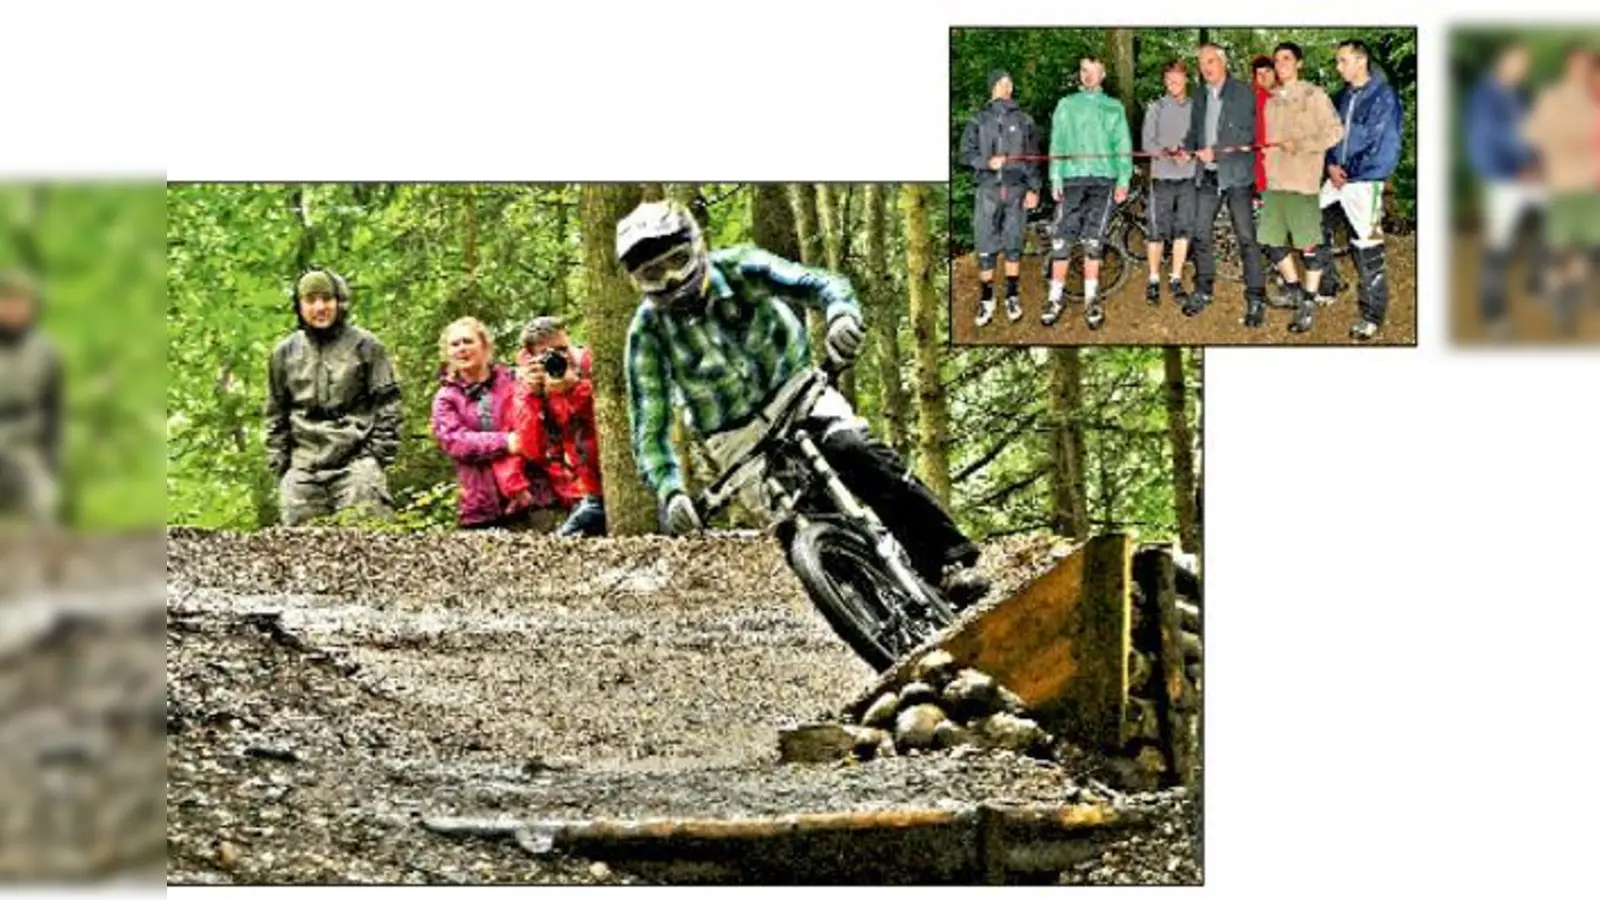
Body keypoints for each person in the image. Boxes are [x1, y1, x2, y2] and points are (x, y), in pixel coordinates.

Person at [615, 200, 990, 608]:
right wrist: (671, 491)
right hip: (735, 440)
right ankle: (874, 615)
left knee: (855, 450)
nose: (671, 279)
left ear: (698, 247)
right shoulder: (645, 334)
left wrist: (841, 315)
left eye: (678, 260)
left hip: (797, 392)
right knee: (796, 529)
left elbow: (819, 284)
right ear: (637, 282)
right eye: (652, 274)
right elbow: (649, 427)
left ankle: (948, 563)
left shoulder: (742, 267)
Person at [265, 269, 403, 526]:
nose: (320, 307)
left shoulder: (367, 347)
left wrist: (375, 454)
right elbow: (276, 414)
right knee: (297, 546)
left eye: (326, 299)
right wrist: (281, 464)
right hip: (303, 468)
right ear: (299, 306)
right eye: (311, 300)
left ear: (339, 302)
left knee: (369, 538)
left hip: (356, 463)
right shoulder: (284, 354)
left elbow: (389, 405)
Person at [431, 317, 560, 531]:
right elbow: (454, 441)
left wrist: (540, 389)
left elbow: (546, 423)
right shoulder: (446, 397)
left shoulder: (514, 380)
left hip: (533, 497)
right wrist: (506, 442)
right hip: (481, 507)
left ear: (485, 346)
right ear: (447, 353)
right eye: (455, 344)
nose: (462, 348)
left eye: (468, 341)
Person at [1322, 39, 1405, 341]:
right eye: (1337, 61)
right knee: (1314, 222)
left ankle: (1372, 315)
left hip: (1364, 182)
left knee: (1367, 246)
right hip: (1337, 177)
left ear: (1361, 61)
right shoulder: (1343, 96)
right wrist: (1331, 164)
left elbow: (1385, 147)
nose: (1338, 67)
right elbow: (1330, 135)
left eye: (1343, 60)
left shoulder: (1383, 97)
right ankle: (1329, 283)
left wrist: (1349, 172)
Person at [1260, 42, 1345, 333]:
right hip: (1275, 183)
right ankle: (1295, 290)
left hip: (1302, 182)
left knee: (1309, 245)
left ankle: (1308, 304)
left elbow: (1336, 131)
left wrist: (1303, 145)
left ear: (1299, 63)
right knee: (1271, 241)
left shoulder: (1314, 95)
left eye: (1287, 58)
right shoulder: (1271, 101)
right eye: (1277, 60)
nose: (1281, 64)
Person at [1181, 43, 1269, 324]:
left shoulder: (1244, 92)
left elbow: (1247, 134)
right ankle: (1204, 289)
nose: (1205, 67)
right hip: (1207, 175)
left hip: (1237, 176)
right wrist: (1186, 149)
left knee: (1246, 237)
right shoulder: (1199, 94)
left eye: (1210, 61)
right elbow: (1195, 132)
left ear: (1223, 62)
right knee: (1200, 233)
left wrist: (1217, 152)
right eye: (1201, 63)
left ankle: (1256, 297)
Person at [1045, 56, 1133, 330]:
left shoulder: (1114, 107)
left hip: (1104, 180)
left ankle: (1091, 299)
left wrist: (1123, 179)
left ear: (1103, 74)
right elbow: (1057, 142)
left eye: (1094, 71)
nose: (1089, 75)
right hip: (1072, 178)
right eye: (1084, 70)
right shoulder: (1066, 105)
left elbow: (1122, 144)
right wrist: (1056, 176)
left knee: (1093, 241)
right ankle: (1054, 299)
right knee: (1062, 240)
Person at [1466, 40, 1542, 339]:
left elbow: (1534, 134)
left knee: (1542, 226)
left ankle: (1536, 283)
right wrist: (1511, 170)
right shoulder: (1484, 96)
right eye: (1516, 63)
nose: (1521, 69)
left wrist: (1536, 164)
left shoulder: (1521, 94)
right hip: (1502, 180)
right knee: (1497, 246)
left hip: (1530, 177)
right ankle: (1493, 311)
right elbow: (1483, 143)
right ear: (1501, 61)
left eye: (1524, 65)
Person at [1522, 44, 1599, 335]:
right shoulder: (1552, 97)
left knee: (1583, 254)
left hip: (1591, 187)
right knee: (1560, 252)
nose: (1581, 70)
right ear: (1567, 66)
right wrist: (1562, 141)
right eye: (1577, 64)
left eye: (1586, 65)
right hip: (1563, 185)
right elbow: (1532, 133)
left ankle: (1571, 308)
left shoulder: (1594, 96)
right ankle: (1559, 307)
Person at [512, 315, 606, 537]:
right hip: (584, 491)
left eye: (563, 349)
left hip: (619, 478)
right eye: (548, 353)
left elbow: (611, 417)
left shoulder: (590, 364)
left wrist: (575, 389)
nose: (560, 358)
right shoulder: (532, 385)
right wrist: (532, 396)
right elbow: (532, 450)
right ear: (532, 358)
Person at [960, 68, 1041, 326]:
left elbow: (1033, 159)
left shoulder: (1024, 120)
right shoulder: (979, 119)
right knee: (986, 245)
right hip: (988, 191)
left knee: (1014, 244)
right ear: (993, 86)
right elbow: (965, 154)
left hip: (1016, 191)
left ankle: (1012, 297)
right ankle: (986, 301)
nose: (1008, 87)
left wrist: (1034, 188)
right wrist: (986, 162)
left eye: (1010, 83)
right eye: (1003, 83)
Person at [0, 269, 63, 528]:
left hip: (25, 447)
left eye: (20, 303)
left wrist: (52, 459)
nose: (13, 310)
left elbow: (54, 410)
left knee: (43, 503)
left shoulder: (45, 352)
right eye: (7, 302)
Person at [1141, 58, 1198, 306]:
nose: (1173, 82)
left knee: (1183, 229)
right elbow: (1148, 143)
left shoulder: (1196, 109)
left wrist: (1189, 153)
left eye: (1177, 77)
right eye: (1168, 78)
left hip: (1188, 178)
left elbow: (1202, 140)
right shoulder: (1156, 107)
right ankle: (1153, 279)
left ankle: (1175, 278)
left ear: (1186, 78)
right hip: (1161, 178)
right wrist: (1169, 152)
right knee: (1156, 230)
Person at [1251, 55, 1277, 200]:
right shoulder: (1252, 100)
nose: (1263, 76)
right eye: (1259, 73)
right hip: (1260, 167)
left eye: (1267, 71)